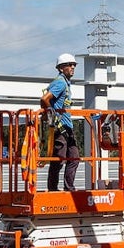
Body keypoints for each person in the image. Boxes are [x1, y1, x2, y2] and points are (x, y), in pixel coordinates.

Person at [41, 53, 80, 191]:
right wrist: (51, 113)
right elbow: (45, 99)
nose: (73, 67)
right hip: (60, 127)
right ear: (61, 67)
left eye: (74, 65)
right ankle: (52, 189)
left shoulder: (66, 83)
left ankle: (69, 188)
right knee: (59, 158)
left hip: (67, 126)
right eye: (70, 65)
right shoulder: (60, 82)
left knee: (74, 157)